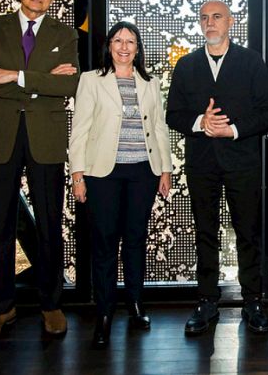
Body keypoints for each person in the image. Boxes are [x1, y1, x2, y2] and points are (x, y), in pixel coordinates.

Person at [0, 0, 79, 340]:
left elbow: (69, 83)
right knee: (0, 226)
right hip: (1, 137)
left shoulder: (64, 34)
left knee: (50, 222)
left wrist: (13, 76)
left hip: (44, 139)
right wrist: (40, 83)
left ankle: (51, 305)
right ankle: (1, 309)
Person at [166, 0, 268, 335]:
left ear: (231, 22)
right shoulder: (186, 65)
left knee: (248, 233)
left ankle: (253, 301)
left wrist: (233, 129)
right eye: (204, 18)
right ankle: (206, 302)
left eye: (217, 17)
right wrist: (201, 121)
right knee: (205, 233)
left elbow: (267, 113)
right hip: (202, 164)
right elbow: (173, 115)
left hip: (243, 163)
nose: (210, 23)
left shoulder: (252, 62)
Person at [69, 21, 172, 347]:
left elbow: (159, 128)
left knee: (135, 240)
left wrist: (165, 169)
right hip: (103, 173)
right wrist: (77, 173)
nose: (124, 47)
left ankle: (136, 304)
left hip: (143, 172)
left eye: (130, 41)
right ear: (109, 46)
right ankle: (104, 312)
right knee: (104, 242)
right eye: (118, 40)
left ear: (138, 48)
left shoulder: (150, 83)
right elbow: (80, 128)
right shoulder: (91, 80)